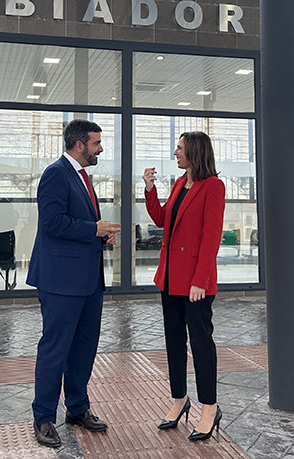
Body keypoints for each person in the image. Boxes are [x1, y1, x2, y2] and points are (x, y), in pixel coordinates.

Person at [28, 119, 121, 448]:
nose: (101, 148)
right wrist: (93, 229)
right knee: (55, 350)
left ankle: (77, 408)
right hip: (60, 281)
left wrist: (100, 237)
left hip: (88, 281)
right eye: (97, 143)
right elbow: (52, 223)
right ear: (79, 145)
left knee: (84, 349)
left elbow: (78, 225)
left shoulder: (82, 177)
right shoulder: (56, 174)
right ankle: (43, 418)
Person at [142, 131, 225, 442]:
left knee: (201, 345)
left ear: (193, 152)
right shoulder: (180, 183)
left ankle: (209, 408)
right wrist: (150, 189)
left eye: (179, 149)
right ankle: (179, 400)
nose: (174, 153)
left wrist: (200, 280)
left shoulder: (213, 186)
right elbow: (163, 219)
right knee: (174, 343)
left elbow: (210, 237)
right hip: (169, 278)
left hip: (195, 284)